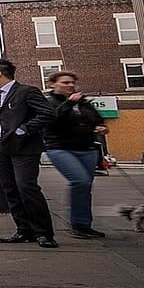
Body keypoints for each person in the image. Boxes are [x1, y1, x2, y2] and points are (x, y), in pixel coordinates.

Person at [0, 58, 59, 248]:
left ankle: (44, 233)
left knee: (26, 187)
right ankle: (24, 230)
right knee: (10, 190)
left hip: (23, 147)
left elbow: (48, 114)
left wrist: (24, 128)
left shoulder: (26, 92)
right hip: (0, 148)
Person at [43, 71, 108, 239]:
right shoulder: (49, 102)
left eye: (72, 82)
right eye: (65, 82)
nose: (70, 85)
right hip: (60, 148)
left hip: (87, 148)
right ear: (53, 84)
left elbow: (97, 119)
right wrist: (68, 104)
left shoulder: (84, 103)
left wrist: (101, 127)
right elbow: (50, 120)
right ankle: (78, 224)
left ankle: (84, 225)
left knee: (85, 187)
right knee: (80, 181)